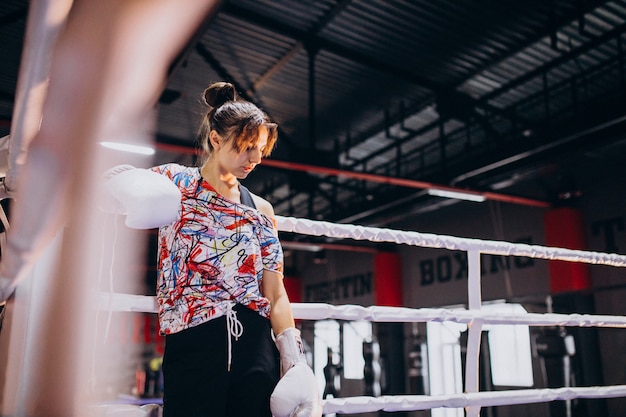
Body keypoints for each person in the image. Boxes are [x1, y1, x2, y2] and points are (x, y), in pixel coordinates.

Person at [105, 82, 322, 417]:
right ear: (216, 140)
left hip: (254, 343)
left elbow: (275, 292)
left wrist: (293, 360)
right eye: (245, 147)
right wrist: (120, 184)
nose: (254, 159)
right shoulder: (174, 183)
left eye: (259, 149)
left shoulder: (261, 208)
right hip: (193, 339)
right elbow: (108, 182)